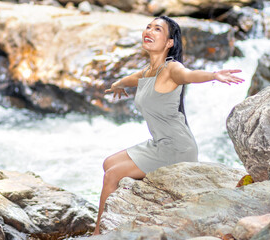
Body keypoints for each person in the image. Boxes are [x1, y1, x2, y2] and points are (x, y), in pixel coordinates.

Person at [93, 15, 244, 235]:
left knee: (112, 175)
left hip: (176, 148)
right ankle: (122, 211)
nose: (149, 31)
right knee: (108, 162)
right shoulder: (147, 71)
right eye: (148, 27)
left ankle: (99, 233)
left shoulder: (172, 69)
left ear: (169, 42)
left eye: (157, 29)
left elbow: (189, 75)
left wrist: (214, 74)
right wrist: (117, 84)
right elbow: (131, 78)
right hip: (159, 143)